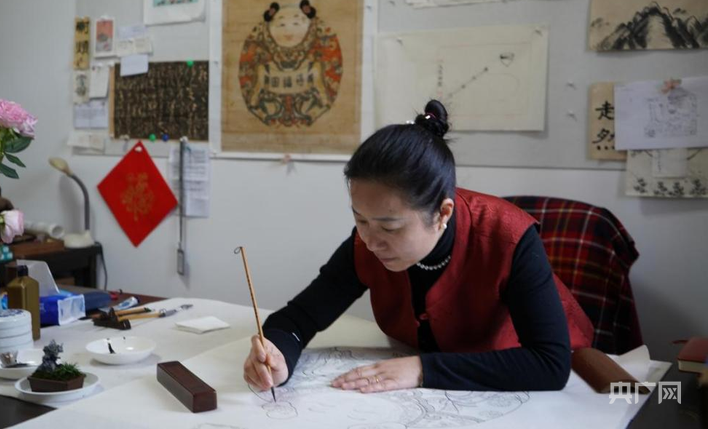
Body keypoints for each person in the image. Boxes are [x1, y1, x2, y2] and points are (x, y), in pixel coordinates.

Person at [243, 100, 595, 393]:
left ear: (443, 214)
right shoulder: (367, 242)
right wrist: (278, 356)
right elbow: (298, 318)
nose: (370, 241)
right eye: (360, 219)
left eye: (390, 227)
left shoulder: (508, 237)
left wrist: (422, 369)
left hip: (540, 379)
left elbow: (548, 363)